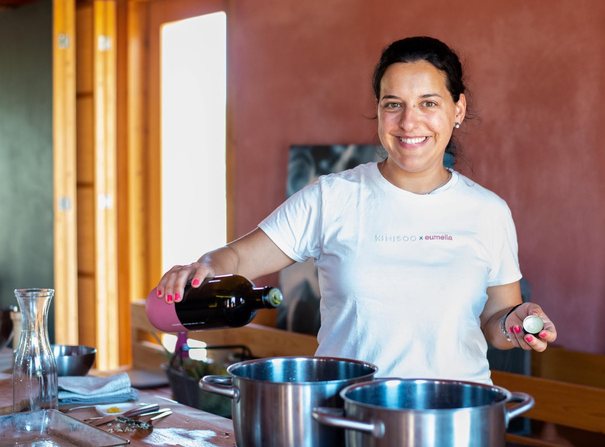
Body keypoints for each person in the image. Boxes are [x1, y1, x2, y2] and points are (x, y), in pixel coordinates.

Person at [155, 36, 557, 384]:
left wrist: (517, 322)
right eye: (393, 103)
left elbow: (498, 322)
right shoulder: (332, 197)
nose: (409, 121)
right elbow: (239, 256)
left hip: (451, 419)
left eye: (428, 103)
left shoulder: (488, 211)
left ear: (459, 109)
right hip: (346, 416)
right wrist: (206, 264)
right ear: (379, 111)